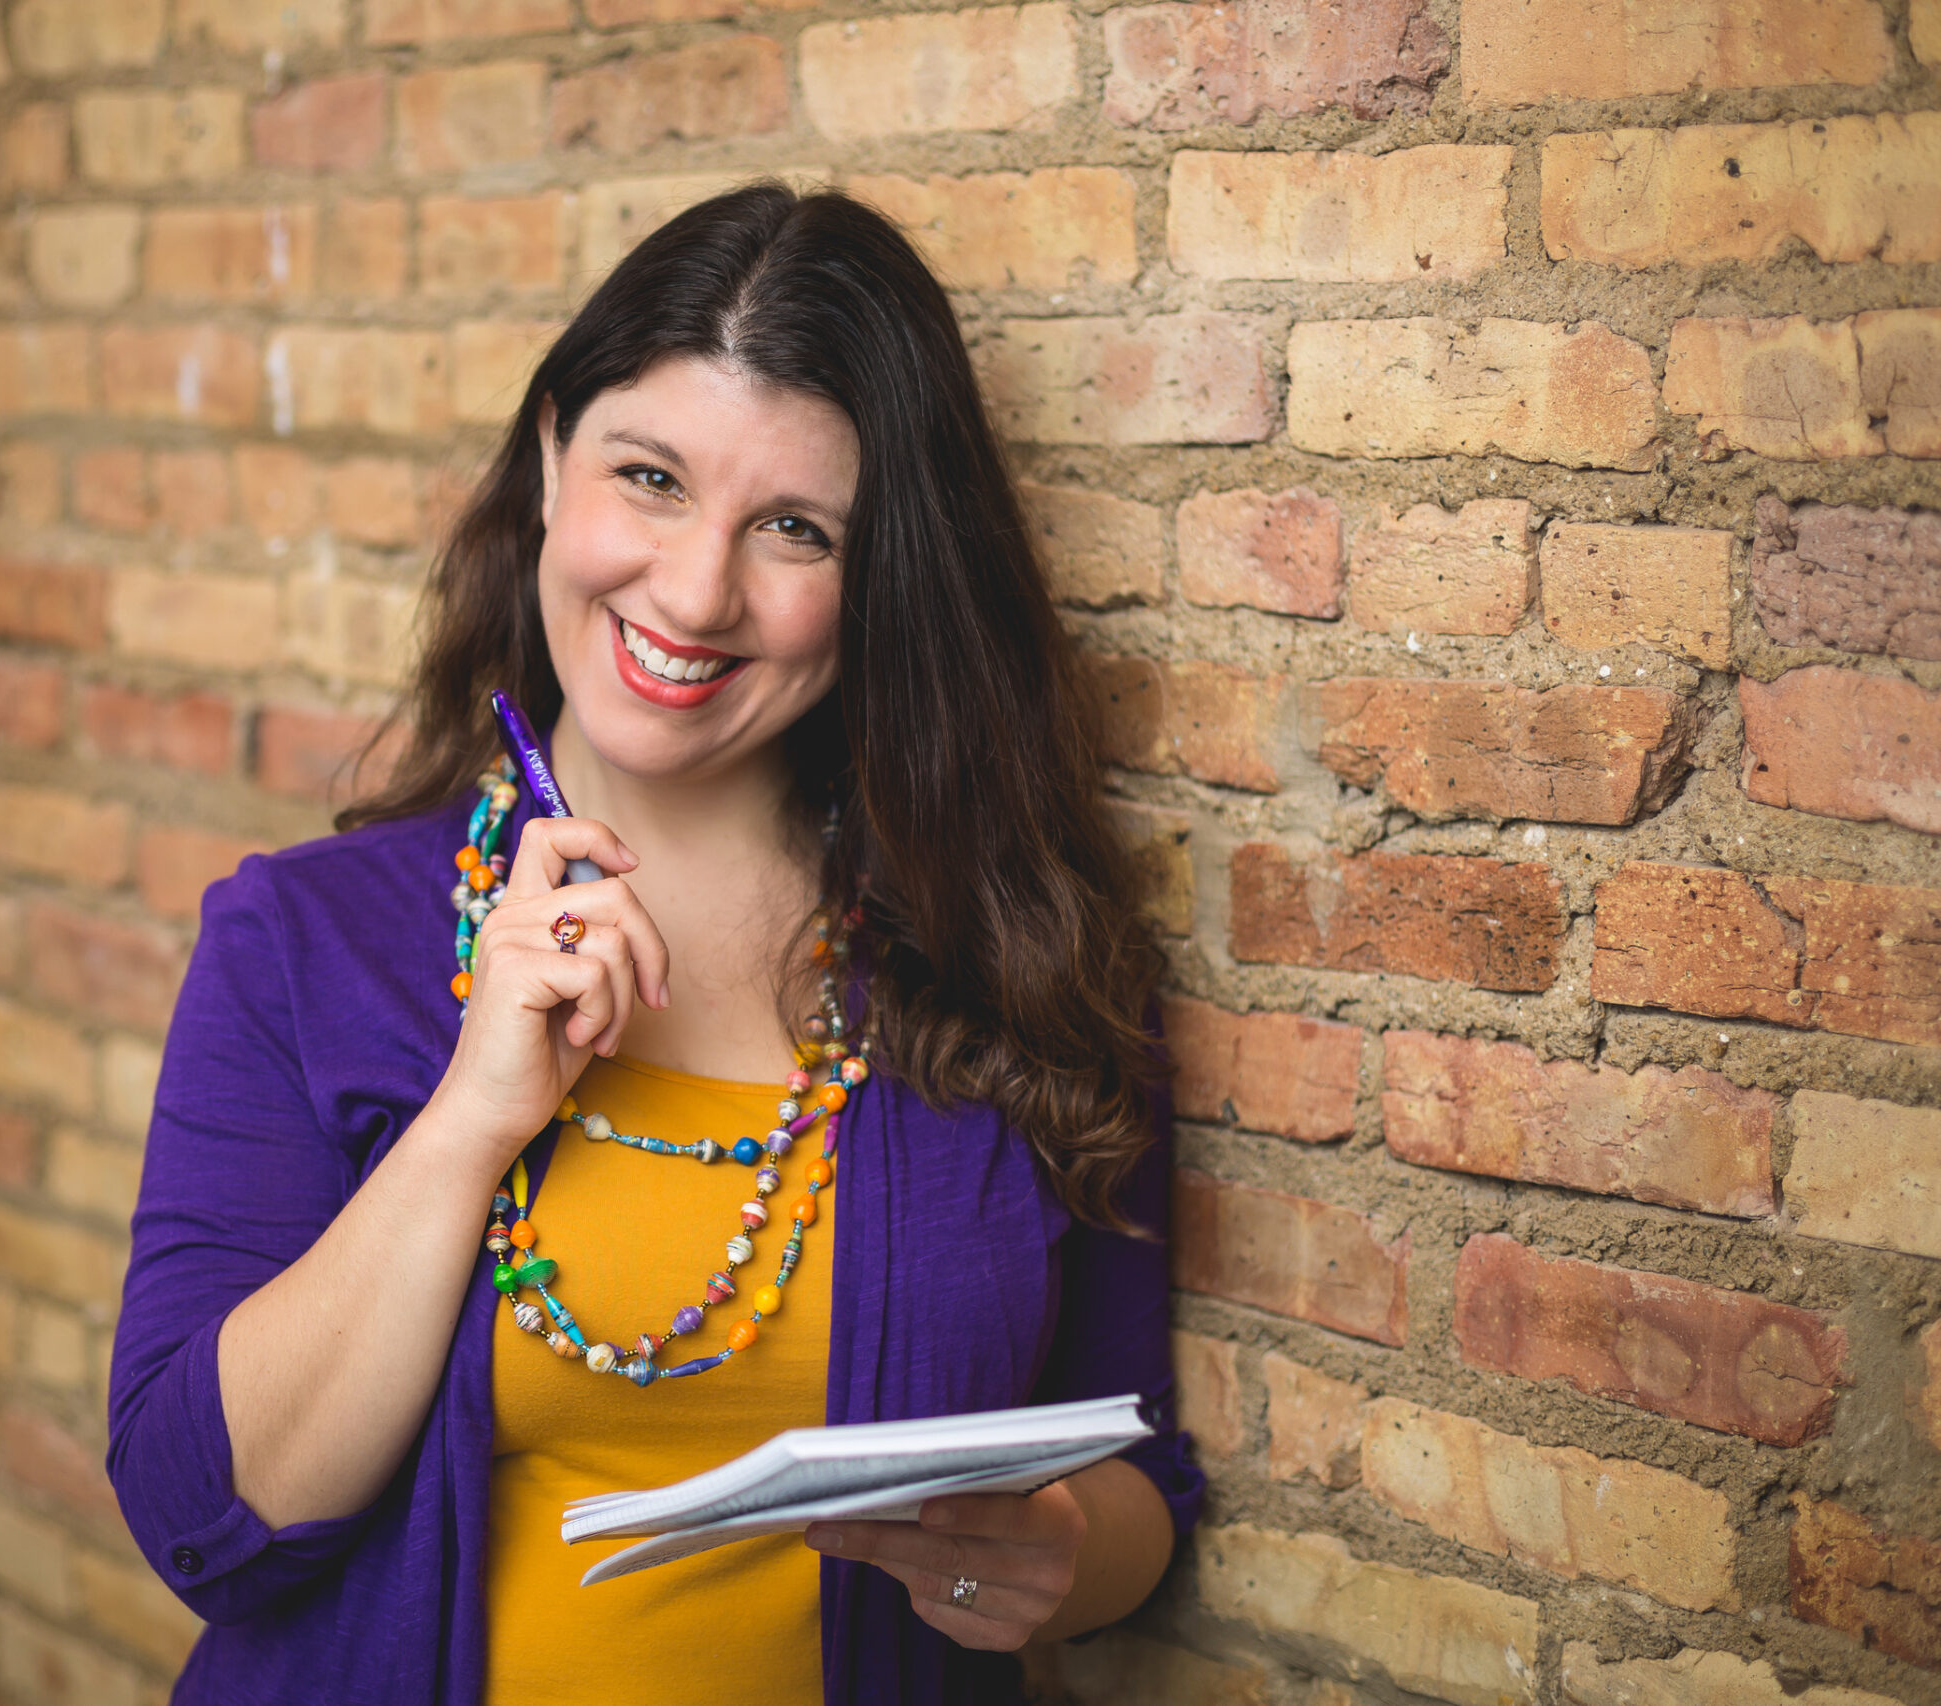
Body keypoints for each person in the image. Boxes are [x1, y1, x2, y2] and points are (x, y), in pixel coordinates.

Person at [106, 181, 1202, 1706]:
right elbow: (199, 1525)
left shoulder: (1021, 964)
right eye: (651, 478)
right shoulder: (301, 945)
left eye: (795, 529)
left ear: (877, 577)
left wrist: (1051, 1558)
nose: (696, 592)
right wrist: (472, 1119)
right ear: (553, 458)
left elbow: (1141, 1477)